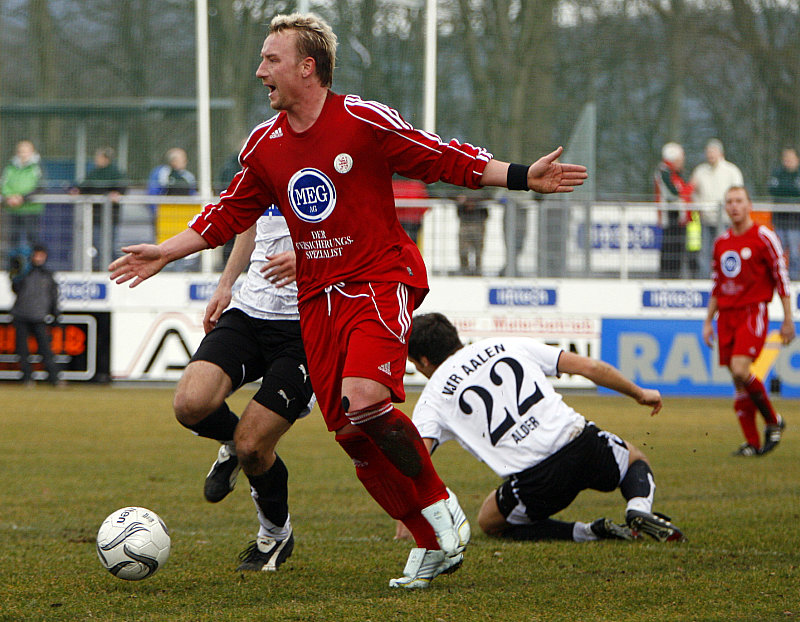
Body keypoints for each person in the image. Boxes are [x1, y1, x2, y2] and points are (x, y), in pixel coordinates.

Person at [109, 11, 587, 589]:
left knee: (365, 399)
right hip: (317, 302)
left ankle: (440, 505)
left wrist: (519, 175)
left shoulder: (361, 119)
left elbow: (441, 156)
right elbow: (228, 213)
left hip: (378, 280)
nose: (260, 71)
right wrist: (165, 252)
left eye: (271, 59)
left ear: (307, 68)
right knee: (352, 434)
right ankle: (427, 539)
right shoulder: (264, 144)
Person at [402, 312, 686, 545]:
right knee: (634, 459)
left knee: (489, 521)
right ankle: (638, 508)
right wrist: (639, 393)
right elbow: (590, 367)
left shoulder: (431, 398)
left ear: (423, 361)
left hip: (537, 481)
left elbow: (416, 460)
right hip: (581, 442)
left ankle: (588, 532)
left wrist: (408, 513)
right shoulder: (506, 344)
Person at [175, 208, 314, 571]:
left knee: (254, 446)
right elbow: (248, 224)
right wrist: (226, 285)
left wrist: (310, 258)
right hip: (249, 310)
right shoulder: (262, 168)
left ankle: (275, 534)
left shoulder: (345, 174)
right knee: (190, 403)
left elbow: (362, 237)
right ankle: (231, 444)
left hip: (307, 325)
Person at [702, 186, 794, 456]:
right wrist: (708, 321)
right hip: (726, 315)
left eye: (739, 201)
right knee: (737, 379)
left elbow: (781, 278)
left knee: (741, 369)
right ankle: (752, 443)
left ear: (749, 205)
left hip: (752, 312)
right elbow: (717, 285)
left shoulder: (764, 237)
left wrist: (788, 319)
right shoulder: (721, 243)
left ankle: (773, 421)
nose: (734, 206)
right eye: (729, 202)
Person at [10, 244, 63, 386]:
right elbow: (15, 288)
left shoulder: (48, 275)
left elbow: (53, 297)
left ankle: (54, 378)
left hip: (39, 316)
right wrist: (16, 274)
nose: (38, 258)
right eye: (36, 255)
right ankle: (27, 378)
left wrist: (55, 314)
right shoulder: (24, 273)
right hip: (21, 315)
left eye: (41, 255)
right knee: (22, 350)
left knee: (46, 349)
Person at [690, 139, 744, 273]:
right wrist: (699, 207)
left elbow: (738, 193)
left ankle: (725, 277)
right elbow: (693, 192)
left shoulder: (731, 171)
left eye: (713, 152)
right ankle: (704, 278)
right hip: (705, 219)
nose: (710, 155)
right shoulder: (700, 171)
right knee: (705, 252)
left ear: (721, 153)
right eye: (708, 152)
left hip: (725, 220)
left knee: (725, 250)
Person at [71, 147, 128, 269]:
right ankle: (101, 268)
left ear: (106, 159)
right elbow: (84, 186)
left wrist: (116, 194)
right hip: (96, 216)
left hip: (111, 216)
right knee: (96, 243)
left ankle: (114, 267)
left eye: (99, 157)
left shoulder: (115, 173)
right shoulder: (94, 173)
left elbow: (121, 188)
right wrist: (77, 190)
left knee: (109, 244)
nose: (96, 159)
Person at [655, 142, 697, 278]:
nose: (682, 162)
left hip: (679, 219)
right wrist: (690, 188)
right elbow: (673, 194)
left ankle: (675, 276)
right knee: (670, 250)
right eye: (680, 159)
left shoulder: (675, 174)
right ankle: (667, 277)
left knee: (678, 251)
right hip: (671, 217)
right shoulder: (664, 173)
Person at [0, 140, 44, 268]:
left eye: (26, 151)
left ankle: (33, 268)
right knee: (12, 241)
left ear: (32, 152)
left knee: (32, 240)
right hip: (13, 210)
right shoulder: (10, 167)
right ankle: (12, 268)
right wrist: (9, 197)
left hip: (31, 210)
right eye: (20, 151)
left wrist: (22, 198)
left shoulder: (37, 167)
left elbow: (40, 186)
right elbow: (4, 184)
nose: (23, 154)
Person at [768, 147, 800, 280]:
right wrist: (791, 191)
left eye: (791, 158)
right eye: (786, 158)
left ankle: (794, 280)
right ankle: (778, 278)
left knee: (794, 253)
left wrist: (788, 190)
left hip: (795, 222)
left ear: (797, 159)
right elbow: (773, 190)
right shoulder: (777, 173)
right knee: (778, 252)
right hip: (779, 221)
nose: (788, 161)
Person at [456, 192, 488, 276]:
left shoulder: (481, 197)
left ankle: (478, 271)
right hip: (465, 225)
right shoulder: (462, 192)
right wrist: (462, 203)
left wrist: (477, 203)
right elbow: (459, 212)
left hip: (478, 225)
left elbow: (486, 213)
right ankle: (464, 270)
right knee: (463, 250)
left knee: (478, 251)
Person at [392, 177, 429, 245]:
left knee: (396, 240)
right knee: (413, 240)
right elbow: (424, 204)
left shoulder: (393, 185)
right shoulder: (417, 186)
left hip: (398, 221)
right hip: (413, 221)